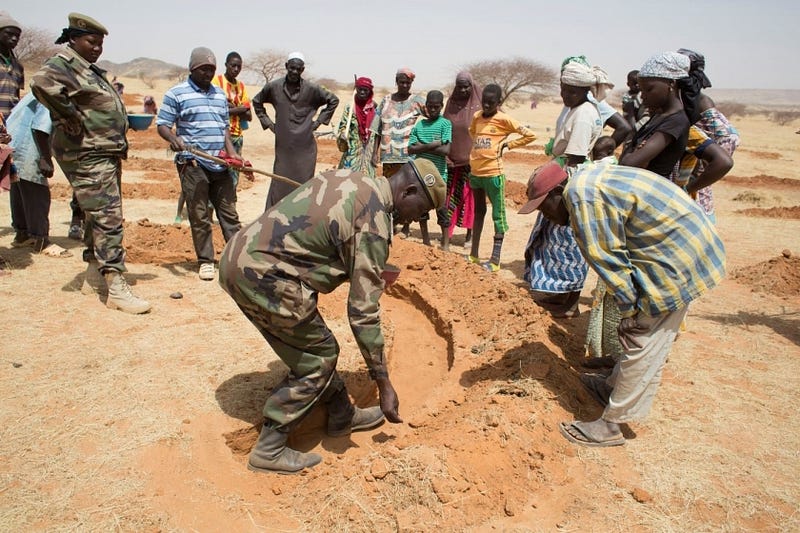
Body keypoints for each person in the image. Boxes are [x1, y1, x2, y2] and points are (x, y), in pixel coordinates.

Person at [218, 159, 447, 474]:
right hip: (262, 275)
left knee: (314, 343)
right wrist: (384, 382)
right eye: (423, 210)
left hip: (240, 259)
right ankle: (268, 449)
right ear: (408, 190)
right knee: (319, 356)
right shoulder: (374, 220)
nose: (421, 218)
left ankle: (341, 414)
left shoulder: (353, 180)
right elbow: (362, 312)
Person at [519, 161, 725, 447]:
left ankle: (611, 426)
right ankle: (610, 388)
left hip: (678, 255)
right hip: (678, 240)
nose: (549, 218)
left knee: (642, 334)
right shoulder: (585, 182)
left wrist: (630, 312)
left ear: (558, 192)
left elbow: (610, 262)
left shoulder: (581, 199)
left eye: (544, 208)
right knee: (639, 327)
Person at [31, 12, 150, 314]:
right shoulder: (64, 64)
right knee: (109, 217)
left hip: (103, 151)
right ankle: (116, 285)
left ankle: (93, 271)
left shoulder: (89, 69)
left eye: (100, 43)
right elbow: (41, 83)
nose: (97, 48)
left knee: (94, 214)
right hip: (87, 153)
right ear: (73, 39)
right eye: (91, 41)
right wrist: (67, 114)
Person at [157, 47, 248, 282]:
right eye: (204, 69)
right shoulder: (176, 94)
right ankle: (206, 261)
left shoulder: (219, 95)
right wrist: (174, 139)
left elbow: (224, 129)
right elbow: (163, 124)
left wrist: (233, 155)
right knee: (199, 215)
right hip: (193, 164)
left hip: (221, 165)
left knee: (229, 213)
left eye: (212, 69)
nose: (208, 73)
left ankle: (238, 259)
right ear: (193, 69)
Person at [524, 61, 601, 317]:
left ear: (585, 90)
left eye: (572, 91)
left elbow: (575, 158)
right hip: (564, 173)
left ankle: (570, 304)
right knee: (556, 240)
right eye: (563, 89)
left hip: (572, 180)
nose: (565, 95)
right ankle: (561, 296)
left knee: (571, 244)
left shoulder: (584, 114)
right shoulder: (574, 109)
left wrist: (554, 184)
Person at [251, 52, 339, 210]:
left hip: (305, 148)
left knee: (303, 187)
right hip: (284, 147)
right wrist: (269, 124)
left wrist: (318, 122)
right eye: (292, 68)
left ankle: (300, 222)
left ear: (303, 70)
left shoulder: (312, 89)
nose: (294, 72)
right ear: (286, 67)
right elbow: (257, 102)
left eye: (298, 69)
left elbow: (333, 100)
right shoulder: (274, 87)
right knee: (280, 184)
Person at [468, 84, 536, 272]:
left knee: (498, 215)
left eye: (491, 103)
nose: (487, 106)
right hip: (476, 173)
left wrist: (507, 145)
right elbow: (472, 132)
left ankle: (495, 259)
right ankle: (473, 254)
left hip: (493, 174)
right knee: (479, 212)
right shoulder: (476, 117)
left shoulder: (504, 119)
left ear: (499, 102)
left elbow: (530, 135)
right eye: (484, 102)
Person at [677, 48, 740, 221]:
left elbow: (729, 137)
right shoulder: (678, 98)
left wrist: (703, 167)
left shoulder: (702, 102)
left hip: (693, 190)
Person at [6, 91, 71, 258]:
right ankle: (41, 240)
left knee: (19, 187)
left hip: (15, 141)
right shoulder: (53, 92)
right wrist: (45, 158)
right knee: (37, 191)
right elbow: (41, 127)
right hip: (29, 144)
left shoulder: (40, 87)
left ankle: (22, 234)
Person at [620, 52, 691, 177]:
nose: (642, 96)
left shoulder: (675, 121)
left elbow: (629, 163)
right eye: (641, 90)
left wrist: (633, 152)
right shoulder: (660, 115)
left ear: (671, 84)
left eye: (649, 89)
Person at [408, 90, 452, 248]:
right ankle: (425, 241)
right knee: (422, 210)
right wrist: (434, 144)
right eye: (430, 106)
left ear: (441, 106)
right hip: (420, 175)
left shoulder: (445, 124)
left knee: (442, 210)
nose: (433, 109)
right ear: (425, 106)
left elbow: (446, 150)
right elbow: (411, 149)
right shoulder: (420, 125)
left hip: (439, 175)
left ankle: (445, 244)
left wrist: (423, 146)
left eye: (436, 106)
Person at [443, 72, 481, 248]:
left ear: (472, 86)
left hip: (472, 161)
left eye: (466, 86)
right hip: (452, 159)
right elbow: (444, 128)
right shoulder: (451, 104)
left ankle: (469, 234)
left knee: (470, 196)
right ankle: (447, 233)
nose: (463, 90)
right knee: (450, 196)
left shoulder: (479, 105)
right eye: (460, 86)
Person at [370, 68, 426, 181]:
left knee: (408, 189)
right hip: (388, 157)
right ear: (396, 81)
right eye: (402, 82)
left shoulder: (417, 101)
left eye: (408, 83)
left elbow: (434, 117)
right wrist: (374, 153)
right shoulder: (386, 100)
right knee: (390, 188)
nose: (405, 85)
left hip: (408, 156)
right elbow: (378, 129)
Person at [212, 51, 251, 189]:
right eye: (233, 66)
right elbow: (216, 108)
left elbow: (249, 115)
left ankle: (229, 208)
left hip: (237, 137)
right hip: (220, 136)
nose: (236, 69)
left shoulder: (241, 86)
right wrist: (239, 109)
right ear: (226, 65)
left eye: (239, 67)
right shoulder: (217, 82)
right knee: (216, 175)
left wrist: (229, 106)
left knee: (233, 177)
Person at [336, 76, 376, 178]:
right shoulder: (350, 107)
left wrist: (375, 153)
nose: (362, 92)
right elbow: (343, 126)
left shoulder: (375, 108)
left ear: (370, 91)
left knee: (366, 186)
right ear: (356, 89)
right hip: (352, 152)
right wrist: (342, 136)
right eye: (360, 89)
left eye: (365, 90)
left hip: (368, 155)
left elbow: (377, 132)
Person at [0, 11, 23, 121]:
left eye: (17, 36)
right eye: (9, 34)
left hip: (11, 121)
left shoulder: (18, 66)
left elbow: (17, 95)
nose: (14, 38)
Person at [621, 70, 648, 139]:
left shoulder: (643, 94)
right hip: (630, 117)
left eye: (639, 83)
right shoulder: (626, 96)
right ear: (628, 84)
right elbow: (627, 110)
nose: (637, 85)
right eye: (634, 83)